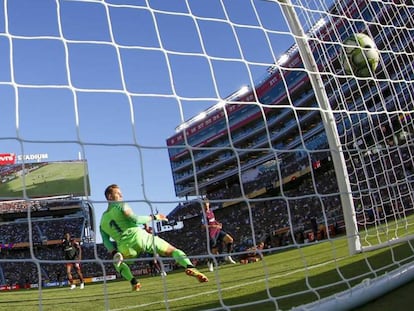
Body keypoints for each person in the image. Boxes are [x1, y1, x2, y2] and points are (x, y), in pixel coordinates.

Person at [100, 184, 208, 292]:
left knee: (118, 264)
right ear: (110, 197)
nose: (121, 195)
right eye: (118, 194)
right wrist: (154, 217)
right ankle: (189, 266)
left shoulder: (102, 221)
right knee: (172, 250)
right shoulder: (121, 205)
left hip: (124, 247)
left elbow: (106, 241)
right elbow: (136, 220)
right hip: (140, 237)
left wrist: (114, 252)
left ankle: (133, 282)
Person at [201, 199, 236, 272]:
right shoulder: (203, 215)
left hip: (218, 231)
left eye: (206, 204)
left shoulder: (211, 211)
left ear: (208, 204)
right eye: (204, 204)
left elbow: (213, 220)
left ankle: (228, 256)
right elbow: (203, 226)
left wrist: (218, 223)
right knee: (214, 251)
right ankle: (210, 263)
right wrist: (213, 226)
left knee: (230, 240)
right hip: (211, 234)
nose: (205, 205)